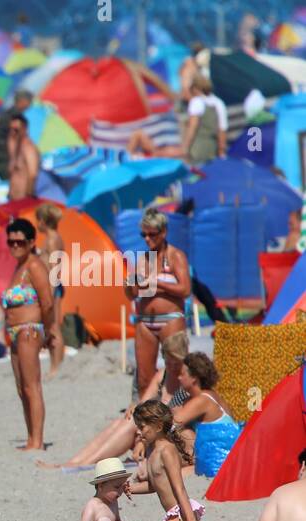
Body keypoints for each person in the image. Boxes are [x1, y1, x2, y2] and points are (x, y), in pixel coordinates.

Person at [36, 333, 190, 470]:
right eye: (167, 361)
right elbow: (143, 405)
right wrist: (136, 411)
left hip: (171, 437)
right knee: (125, 420)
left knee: (131, 425)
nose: (171, 367)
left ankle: (85, 464)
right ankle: (75, 462)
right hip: (153, 432)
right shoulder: (163, 374)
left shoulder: (188, 383)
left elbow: (176, 421)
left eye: (175, 363)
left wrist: (142, 438)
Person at [2, 218, 54, 451]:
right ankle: (31, 437)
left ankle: (38, 441)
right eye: (10, 242)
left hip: (29, 330)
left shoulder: (34, 266)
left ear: (31, 242)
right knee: (22, 388)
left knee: (32, 386)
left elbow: (48, 302)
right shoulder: (18, 267)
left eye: (19, 242)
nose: (14, 245)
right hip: (15, 333)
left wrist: (49, 332)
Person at [128, 209, 190, 396]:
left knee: (176, 375)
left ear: (163, 232)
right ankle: (147, 420)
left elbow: (185, 290)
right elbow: (133, 294)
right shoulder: (144, 259)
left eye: (152, 234)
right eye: (143, 234)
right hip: (145, 321)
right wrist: (130, 283)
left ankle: (177, 418)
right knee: (144, 378)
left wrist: (157, 282)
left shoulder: (175, 256)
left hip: (170, 319)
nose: (147, 239)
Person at [34, 203, 66, 375]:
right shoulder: (52, 238)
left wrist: (51, 292)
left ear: (44, 221)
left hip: (52, 286)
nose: (37, 224)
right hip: (51, 285)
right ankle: (55, 365)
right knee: (51, 327)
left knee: (53, 327)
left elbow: (54, 266)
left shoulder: (52, 239)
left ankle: (56, 367)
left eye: (38, 220)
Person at [0, 89, 33, 181]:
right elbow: (15, 139)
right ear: (22, 101)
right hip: (4, 157)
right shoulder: (16, 118)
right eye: (29, 101)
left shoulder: (7, 114)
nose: (30, 104)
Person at [184, 75, 227, 166]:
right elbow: (222, 129)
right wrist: (221, 151)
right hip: (212, 147)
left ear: (195, 88)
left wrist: (185, 148)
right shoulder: (218, 103)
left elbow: (192, 127)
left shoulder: (196, 102)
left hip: (197, 147)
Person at [6, 114, 40, 201]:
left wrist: (28, 197)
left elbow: (33, 175)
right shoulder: (15, 148)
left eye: (16, 130)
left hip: (23, 199)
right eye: (10, 129)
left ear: (25, 129)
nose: (12, 132)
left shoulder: (28, 147)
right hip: (13, 199)